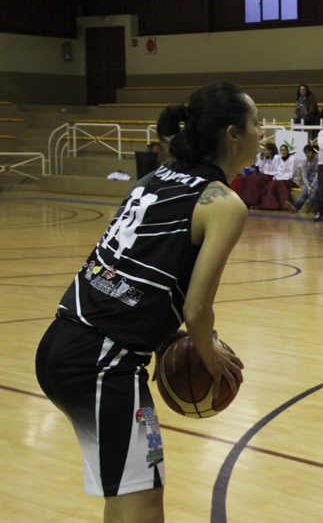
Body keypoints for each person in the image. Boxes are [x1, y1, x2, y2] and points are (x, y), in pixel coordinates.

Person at [35, 82, 252, 522]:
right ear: (232, 134)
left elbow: (133, 279)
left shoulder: (156, 177)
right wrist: (210, 361)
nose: (261, 135)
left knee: (126, 502)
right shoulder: (224, 204)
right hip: (102, 363)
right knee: (144, 512)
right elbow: (197, 311)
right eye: (256, 125)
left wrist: (162, 336)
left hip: (63, 342)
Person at [254, 144, 300, 210]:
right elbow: (279, 172)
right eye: (282, 150)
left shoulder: (293, 159)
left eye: (285, 150)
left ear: (287, 151)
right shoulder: (280, 159)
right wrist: (277, 179)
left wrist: (279, 179)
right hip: (282, 180)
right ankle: (269, 204)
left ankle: (286, 205)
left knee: (278, 184)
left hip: (292, 181)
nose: (283, 152)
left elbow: (290, 175)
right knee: (271, 184)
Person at [236, 143, 278, 208]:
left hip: (271, 176)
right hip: (263, 174)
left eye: (266, 150)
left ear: (270, 151)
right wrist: (261, 159)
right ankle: (245, 200)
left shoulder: (276, 158)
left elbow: (276, 170)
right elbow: (261, 169)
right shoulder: (265, 158)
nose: (264, 152)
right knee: (250, 178)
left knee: (256, 180)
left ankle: (253, 201)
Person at [284, 145, 319, 213]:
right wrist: (308, 186)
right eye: (305, 153)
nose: (307, 154)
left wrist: (311, 186)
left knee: (315, 191)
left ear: (313, 152)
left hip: (318, 182)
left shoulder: (319, 160)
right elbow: (304, 175)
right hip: (308, 182)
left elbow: (318, 175)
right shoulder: (304, 162)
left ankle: (309, 204)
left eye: (309, 152)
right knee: (303, 194)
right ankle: (295, 208)